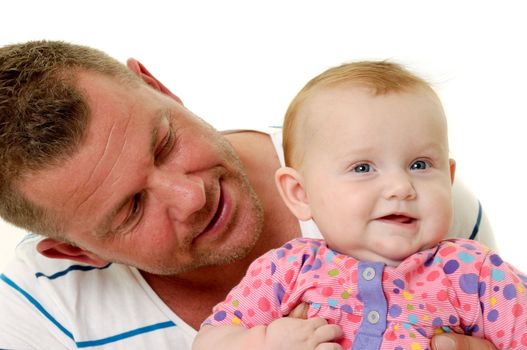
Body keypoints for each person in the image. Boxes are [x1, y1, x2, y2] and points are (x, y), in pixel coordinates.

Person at [0, 41, 498, 350]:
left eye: (165, 142)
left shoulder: (404, 197)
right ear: (77, 251)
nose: (191, 195)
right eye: (132, 208)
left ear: (159, 86)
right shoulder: (34, 311)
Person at [193, 61, 527, 350]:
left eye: (421, 165)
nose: (401, 187)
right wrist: (264, 343)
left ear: (449, 177)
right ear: (300, 193)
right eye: (363, 168)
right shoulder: (286, 270)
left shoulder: (477, 273)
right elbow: (210, 341)